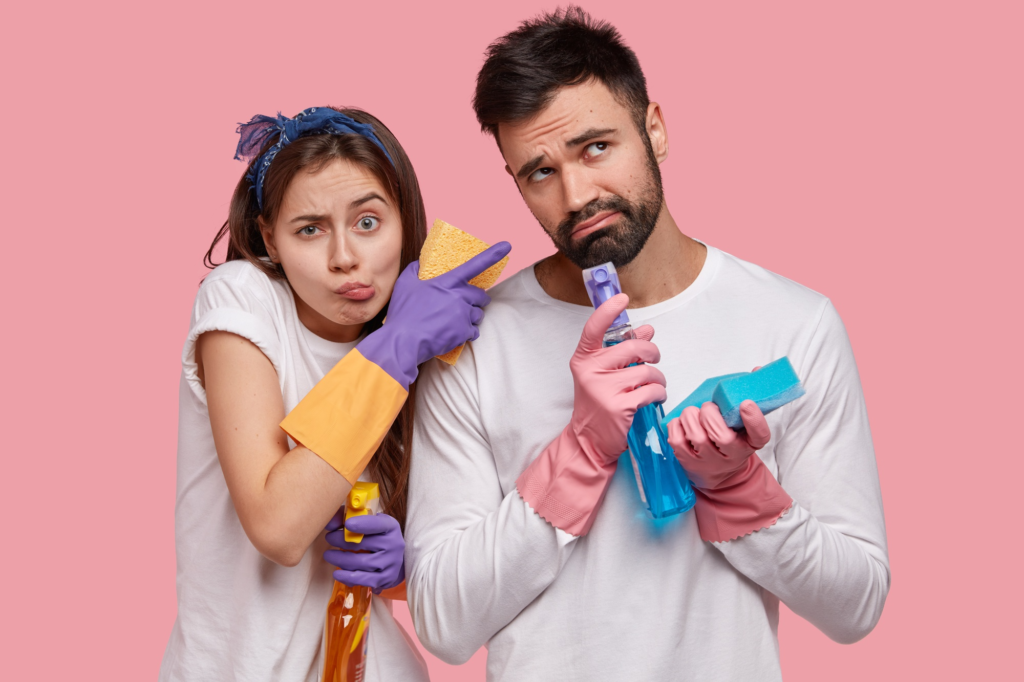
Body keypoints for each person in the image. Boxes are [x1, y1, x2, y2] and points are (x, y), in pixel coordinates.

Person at [402, 9, 890, 681]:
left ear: (654, 129)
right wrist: (578, 453)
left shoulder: (793, 321)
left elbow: (856, 605)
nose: (578, 195)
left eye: (596, 147)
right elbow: (443, 624)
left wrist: (740, 489)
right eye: (539, 172)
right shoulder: (474, 343)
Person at [160, 106, 510, 681]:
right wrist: (396, 347)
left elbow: (453, 565)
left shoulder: (428, 338)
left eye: (368, 223)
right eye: (310, 229)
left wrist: (403, 567)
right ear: (269, 236)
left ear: (404, 223)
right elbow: (278, 525)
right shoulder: (243, 301)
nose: (345, 256)